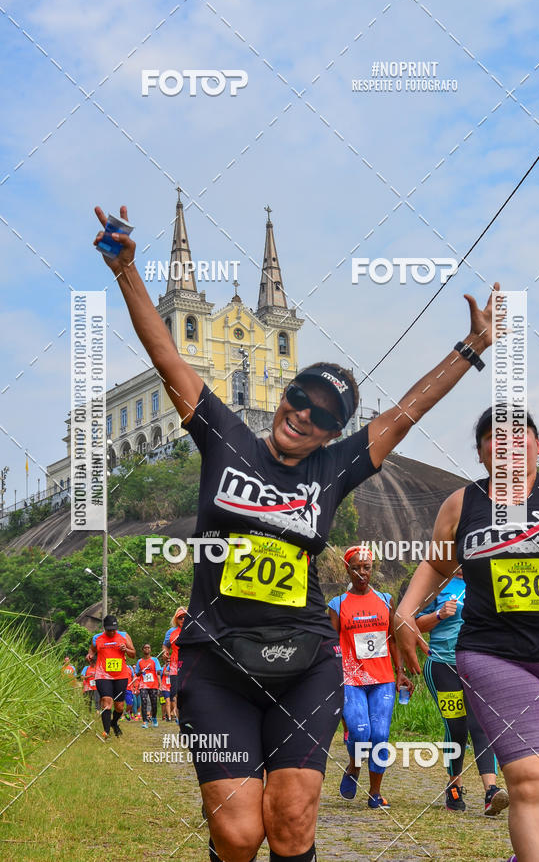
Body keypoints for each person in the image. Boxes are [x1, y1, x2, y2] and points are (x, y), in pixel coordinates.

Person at [94, 204, 498, 862]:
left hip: (305, 663)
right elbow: (166, 353)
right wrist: (128, 272)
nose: (304, 415)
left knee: (292, 821)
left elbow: (406, 411)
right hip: (217, 661)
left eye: (323, 416)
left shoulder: (332, 468)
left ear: (334, 432)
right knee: (237, 831)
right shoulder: (225, 438)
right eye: (300, 399)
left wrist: (473, 348)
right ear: (285, 397)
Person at [396, 407, 539, 862]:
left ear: (537, 445)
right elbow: (435, 563)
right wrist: (405, 614)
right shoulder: (463, 503)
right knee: (532, 782)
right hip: (494, 656)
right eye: (493, 438)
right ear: (482, 454)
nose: (505, 444)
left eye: (517, 435)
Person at [415, 567, 509, 814]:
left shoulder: (483, 581)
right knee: (456, 726)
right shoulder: (437, 583)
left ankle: (491, 792)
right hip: (442, 665)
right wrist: (438, 614)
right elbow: (415, 624)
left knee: (480, 724)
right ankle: (454, 785)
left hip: (475, 664)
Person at [328, 546, 410, 809]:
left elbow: (395, 641)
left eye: (367, 567)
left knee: (380, 735)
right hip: (351, 679)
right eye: (356, 567)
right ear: (347, 568)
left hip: (382, 678)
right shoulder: (338, 604)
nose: (362, 573)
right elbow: (332, 647)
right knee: (360, 732)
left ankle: (375, 793)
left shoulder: (386, 600)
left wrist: (401, 673)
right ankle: (354, 766)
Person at [86, 614, 136, 739]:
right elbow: (92, 650)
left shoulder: (124, 636)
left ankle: (114, 723)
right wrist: (90, 655)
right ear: (104, 628)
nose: (112, 632)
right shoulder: (97, 638)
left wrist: (126, 650)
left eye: (114, 629)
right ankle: (106, 732)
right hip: (103, 675)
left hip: (120, 675)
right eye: (109, 630)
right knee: (106, 702)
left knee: (119, 706)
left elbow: (133, 654)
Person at [163, 607, 187, 723]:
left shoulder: (194, 629)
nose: (183, 619)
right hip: (175, 667)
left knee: (190, 692)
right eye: (180, 618)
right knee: (177, 694)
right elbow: (165, 645)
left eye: (185, 617)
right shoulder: (171, 632)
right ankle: (181, 721)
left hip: (191, 665)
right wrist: (165, 652)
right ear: (176, 620)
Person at [136, 643, 163, 728]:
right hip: (143, 685)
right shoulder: (139, 661)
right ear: (143, 650)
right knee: (144, 702)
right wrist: (140, 672)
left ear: (150, 650)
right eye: (145, 648)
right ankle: (145, 721)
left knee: (154, 703)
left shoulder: (155, 660)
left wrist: (160, 684)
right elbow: (137, 674)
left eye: (148, 647)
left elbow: (158, 672)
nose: (147, 649)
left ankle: (154, 717)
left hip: (153, 684)